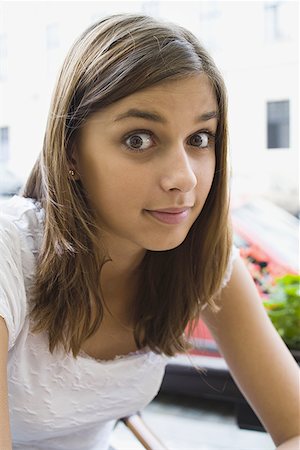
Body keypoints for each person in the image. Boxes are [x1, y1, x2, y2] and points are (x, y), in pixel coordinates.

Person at [0, 13, 299, 450]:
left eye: (200, 138)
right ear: (70, 153)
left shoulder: (203, 259)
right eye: (139, 139)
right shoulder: (10, 254)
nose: (184, 178)